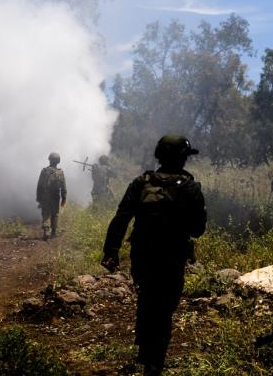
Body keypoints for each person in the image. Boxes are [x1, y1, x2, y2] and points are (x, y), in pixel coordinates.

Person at [100, 135, 206, 375]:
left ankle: (146, 349)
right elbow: (198, 230)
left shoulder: (141, 182)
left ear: (159, 155)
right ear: (182, 159)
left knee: (147, 298)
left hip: (143, 257)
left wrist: (111, 252)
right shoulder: (190, 187)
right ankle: (154, 363)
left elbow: (121, 218)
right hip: (173, 258)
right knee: (165, 308)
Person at [36, 152, 67, 240]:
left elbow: (39, 185)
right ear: (58, 161)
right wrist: (64, 198)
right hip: (55, 197)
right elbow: (63, 187)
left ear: (50, 160)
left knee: (46, 213)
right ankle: (54, 232)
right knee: (55, 213)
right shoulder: (60, 172)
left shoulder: (44, 171)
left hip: (45, 196)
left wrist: (39, 198)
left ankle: (46, 231)